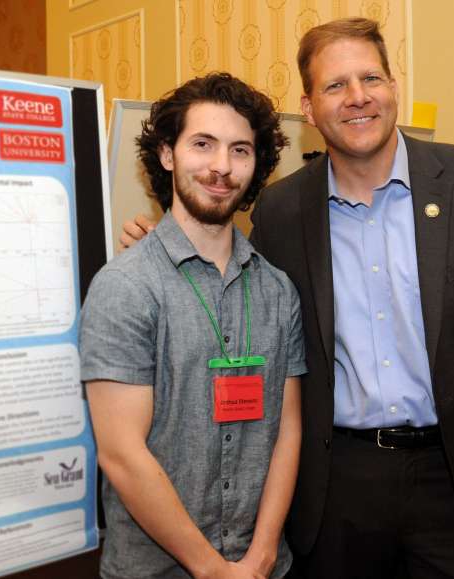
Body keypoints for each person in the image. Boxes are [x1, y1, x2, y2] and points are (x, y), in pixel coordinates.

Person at [121, 18, 454, 579]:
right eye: (335, 86)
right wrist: (160, 246)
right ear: (308, 109)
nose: (357, 98)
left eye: (370, 78)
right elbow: (235, 298)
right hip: (335, 487)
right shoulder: (281, 212)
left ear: (393, 87)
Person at [80, 72, 305, 579]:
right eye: (203, 144)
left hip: (264, 566)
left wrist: (262, 556)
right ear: (167, 153)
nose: (221, 167)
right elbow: (121, 454)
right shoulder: (126, 287)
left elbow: (288, 430)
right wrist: (212, 569)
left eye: (240, 150)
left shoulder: (277, 290)